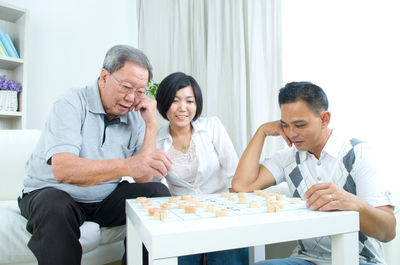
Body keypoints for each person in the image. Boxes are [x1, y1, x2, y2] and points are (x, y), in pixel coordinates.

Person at [18, 45, 173, 265]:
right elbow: (63, 170)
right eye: (126, 87)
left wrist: (151, 124)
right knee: (55, 206)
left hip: (102, 199)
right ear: (104, 77)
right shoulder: (71, 103)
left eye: (140, 92)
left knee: (157, 192)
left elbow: (144, 176)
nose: (131, 98)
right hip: (53, 192)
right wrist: (129, 165)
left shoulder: (135, 116)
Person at [232, 81, 396, 265]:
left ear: (325, 119)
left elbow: (388, 230)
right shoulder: (289, 158)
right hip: (307, 259)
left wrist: (355, 204)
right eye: (285, 125)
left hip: (360, 259)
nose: (292, 134)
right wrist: (261, 131)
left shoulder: (358, 154)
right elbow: (242, 186)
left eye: (299, 125)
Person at [155, 72, 249, 265]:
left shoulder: (212, 127)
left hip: (220, 212)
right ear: (164, 104)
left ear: (197, 105)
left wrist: (231, 214)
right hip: (181, 217)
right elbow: (152, 187)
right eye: (175, 101)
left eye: (190, 101)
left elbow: (235, 174)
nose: (183, 108)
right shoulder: (156, 140)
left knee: (228, 255)